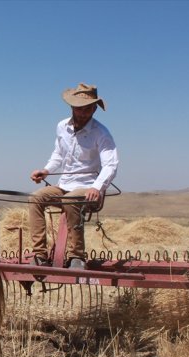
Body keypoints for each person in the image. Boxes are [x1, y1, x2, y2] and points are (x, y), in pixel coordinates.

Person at [29, 83, 119, 269]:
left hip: (88, 188)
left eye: (88, 109)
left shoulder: (101, 133)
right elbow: (58, 155)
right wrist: (46, 170)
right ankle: (39, 255)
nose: (83, 113)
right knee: (35, 198)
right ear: (72, 107)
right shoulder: (62, 126)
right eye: (79, 108)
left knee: (70, 201)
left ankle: (76, 257)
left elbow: (111, 165)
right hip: (65, 184)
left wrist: (97, 187)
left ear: (95, 108)